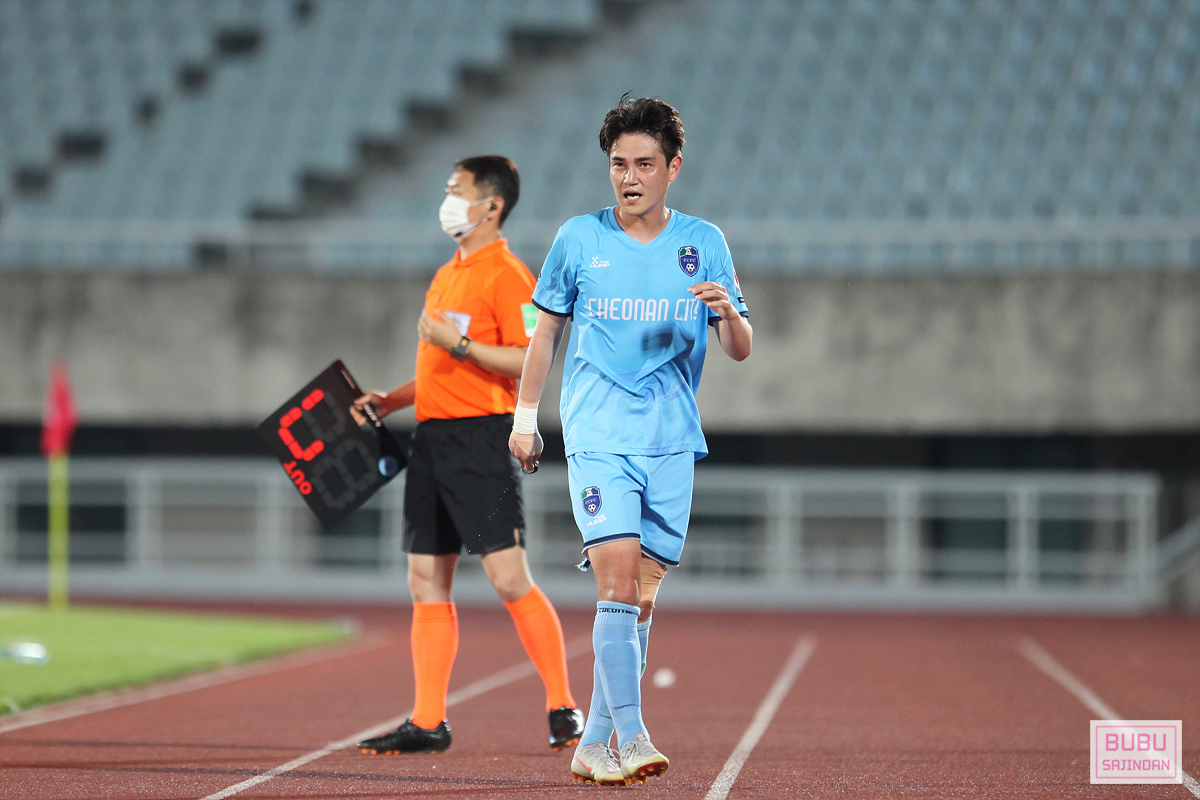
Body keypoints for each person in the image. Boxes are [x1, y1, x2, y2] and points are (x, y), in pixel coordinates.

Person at [508, 96, 752, 786]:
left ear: (673, 168)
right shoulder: (577, 239)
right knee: (614, 581)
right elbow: (546, 334)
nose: (630, 177)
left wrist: (730, 314)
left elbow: (738, 348)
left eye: (645, 163)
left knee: (639, 599)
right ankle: (634, 735)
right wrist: (525, 418)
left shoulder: (703, 243)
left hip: (671, 438)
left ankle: (593, 744)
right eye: (619, 163)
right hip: (598, 434)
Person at [354, 155, 583, 757]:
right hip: (431, 438)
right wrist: (392, 400)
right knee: (425, 579)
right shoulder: (446, 273)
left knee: (508, 578)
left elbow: (531, 358)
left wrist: (457, 342)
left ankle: (562, 706)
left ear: (492, 205)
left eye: (457, 190)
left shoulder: (509, 275)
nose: (448, 199)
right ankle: (428, 721)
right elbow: (438, 367)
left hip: (480, 439)